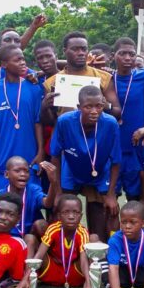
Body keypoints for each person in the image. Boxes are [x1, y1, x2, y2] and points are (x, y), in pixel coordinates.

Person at [50, 85, 120, 241]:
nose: (94, 111)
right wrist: (58, 191)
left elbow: (116, 161)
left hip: (100, 172)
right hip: (71, 170)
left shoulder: (110, 123)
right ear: (78, 107)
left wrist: (111, 194)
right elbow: (55, 157)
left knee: (108, 212)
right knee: (62, 208)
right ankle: (62, 247)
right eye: (88, 107)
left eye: (99, 106)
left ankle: (104, 248)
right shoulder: (64, 122)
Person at [0, 45, 44, 190]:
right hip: (1, 155)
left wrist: (40, 151)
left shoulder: (34, 88)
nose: (23, 63)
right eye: (17, 60)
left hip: (28, 155)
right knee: (2, 199)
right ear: (4, 64)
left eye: (23, 59)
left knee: (28, 199)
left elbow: (38, 123)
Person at [0, 157, 58, 258]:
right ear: (6, 174)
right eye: (17, 171)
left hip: (28, 238)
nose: (23, 174)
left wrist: (53, 183)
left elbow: (47, 203)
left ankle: (38, 262)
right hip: (6, 237)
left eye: (26, 171)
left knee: (38, 227)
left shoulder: (33, 190)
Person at [41, 32, 121, 124]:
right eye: (75, 49)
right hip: (66, 131)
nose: (81, 53)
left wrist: (107, 106)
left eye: (84, 49)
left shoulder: (104, 77)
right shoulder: (51, 82)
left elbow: (118, 113)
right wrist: (44, 107)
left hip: (97, 131)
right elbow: (49, 121)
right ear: (64, 51)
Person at [111, 37, 144, 202]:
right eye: (123, 53)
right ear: (114, 55)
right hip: (112, 148)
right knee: (109, 199)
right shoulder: (105, 78)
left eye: (131, 54)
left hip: (135, 146)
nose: (127, 58)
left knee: (135, 198)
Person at [34, 195, 91, 288]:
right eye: (66, 212)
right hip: (52, 270)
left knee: (92, 245)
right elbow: (39, 255)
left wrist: (88, 283)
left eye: (76, 212)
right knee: (32, 242)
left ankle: (89, 285)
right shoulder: (53, 229)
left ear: (81, 216)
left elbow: (83, 260)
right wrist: (26, 279)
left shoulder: (82, 232)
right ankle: (28, 281)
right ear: (59, 216)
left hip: (74, 274)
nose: (71, 216)